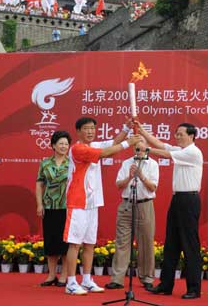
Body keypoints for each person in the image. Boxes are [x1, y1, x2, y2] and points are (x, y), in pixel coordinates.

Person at [64, 117, 141, 296]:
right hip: (77, 202)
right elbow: (105, 153)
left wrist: (126, 128)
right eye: (86, 128)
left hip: (92, 202)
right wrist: (129, 142)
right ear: (78, 131)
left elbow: (113, 143)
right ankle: (70, 282)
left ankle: (87, 279)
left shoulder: (95, 144)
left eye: (92, 128)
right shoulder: (78, 149)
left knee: (90, 243)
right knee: (75, 244)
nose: (90, 131)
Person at [138, 122, 203, 300]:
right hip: (177, 200)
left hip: (189, 200)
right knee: (171, 243)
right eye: (176, 133)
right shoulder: (181, 150)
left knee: (189, 245)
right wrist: (142, 130)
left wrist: (146, 150)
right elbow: (161, 144)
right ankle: (166, 285)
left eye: (181, 134)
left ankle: (194, 288)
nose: (177, 136)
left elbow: (165, 153)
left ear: (191, 136)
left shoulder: (193, 152)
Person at [105, 136, 159, 290]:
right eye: (137, 149)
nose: (140, 152)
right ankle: (117, 279)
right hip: (126, 204)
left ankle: (147, 278)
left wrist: (141, 176)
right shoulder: (126, 163)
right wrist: (130, 176)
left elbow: (153, 187)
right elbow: (118, 185)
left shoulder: (153, 164)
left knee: (146, 242)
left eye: (143, 149)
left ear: (147, 148)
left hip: (145, 205)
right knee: (122, 241)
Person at [36, 130, 71, 287]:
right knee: (50, 242)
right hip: (49, 206)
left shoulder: (72, 163)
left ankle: (63, 276)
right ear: (53, 145)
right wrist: (39, 204)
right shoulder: (45, 163)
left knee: (64, 244)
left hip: (67, 207)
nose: (64, 146)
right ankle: (51, 275)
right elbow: (39, 184)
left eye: (66, 144)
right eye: (61, 143)